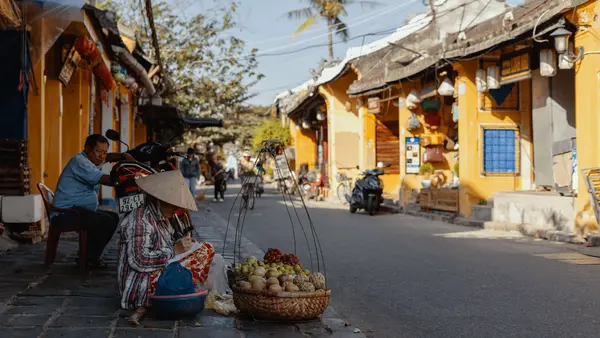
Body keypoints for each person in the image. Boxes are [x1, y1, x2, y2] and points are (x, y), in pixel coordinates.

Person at [117, 170, 215, 325]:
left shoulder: (161, 217)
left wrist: (184, 245)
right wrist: (174, 250)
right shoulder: (140, 221)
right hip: (141, 285)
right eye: (172, 205)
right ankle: (175, 292)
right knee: (204, 251)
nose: (176, 210)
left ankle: (184, 287)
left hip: (156, 271)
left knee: (204, 249)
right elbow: (139, 260)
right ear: (158, 200)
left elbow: (167, 244)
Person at [52, 134, 134, 268]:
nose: (101, 156)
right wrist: (130, 177)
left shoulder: (91, 160)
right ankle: (89, 258)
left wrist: (124, 156)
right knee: (105, 221)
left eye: (104, 152)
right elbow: (106, 180)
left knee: (112, 216)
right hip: (65, 214)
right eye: (98, 152)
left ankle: (89, 254)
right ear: (87, 149)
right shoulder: (81, 162)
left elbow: (108, 158)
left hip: (76, 211)